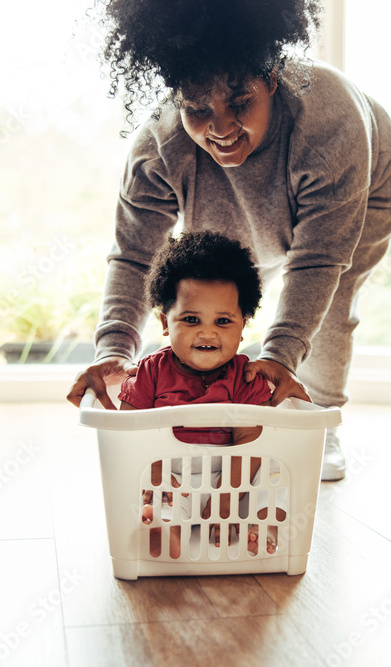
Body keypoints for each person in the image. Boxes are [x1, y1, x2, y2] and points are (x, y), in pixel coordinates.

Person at [66, 0, 391, 482]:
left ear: (271, 76)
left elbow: (317, 262)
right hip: (227, 197)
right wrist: (114, 350)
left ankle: (319, 423)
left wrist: (278, 357)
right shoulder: (158, 148)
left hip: (367, 187)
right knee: (213, 284)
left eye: (240, 103)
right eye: (198, 109)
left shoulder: (327, 122)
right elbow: (135, 255)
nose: (222, 128)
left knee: (331, 300)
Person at [119, 230, 284, 558]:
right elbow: (129, 434)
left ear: (243, 325)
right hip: (172, 477)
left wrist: (226, 497)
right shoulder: (150, 371)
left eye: (223, 321)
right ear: (166, 322)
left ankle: (264, 522)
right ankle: (165, 530)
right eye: (191, 319)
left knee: (276, 471)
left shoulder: (246, 376)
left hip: (232, 478)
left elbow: (251, 445)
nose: (207, 332)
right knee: (151, 493)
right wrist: (155, 477)